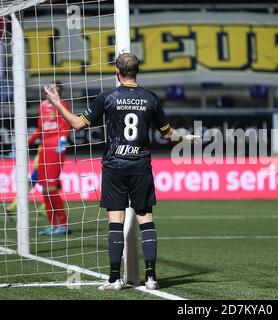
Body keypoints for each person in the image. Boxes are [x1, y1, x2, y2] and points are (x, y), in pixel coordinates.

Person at [43, 53, 198, 291]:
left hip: (115, 166)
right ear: (137, 72)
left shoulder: (107, 98)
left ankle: (114, 279)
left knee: (116, 220)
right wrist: (185, 138)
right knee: (145, 219)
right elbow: (168, 134)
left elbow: (75, 124)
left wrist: (55, 103)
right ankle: (151, 277)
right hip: (140, 166)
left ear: (117, 72)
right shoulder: (150, 98)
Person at [28, 82, 71, 236]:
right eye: (50, 89)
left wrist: (64, 139)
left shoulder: (63, 104)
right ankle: (53, 225)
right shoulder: (42, 106)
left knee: (51, 188)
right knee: (44, 189)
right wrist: (26, 142)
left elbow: (67, 124)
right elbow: (40, 129)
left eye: (56, 90)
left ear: (59, 92)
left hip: (56, 148)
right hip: (44, 148)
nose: (53, 91)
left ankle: (64, 224)